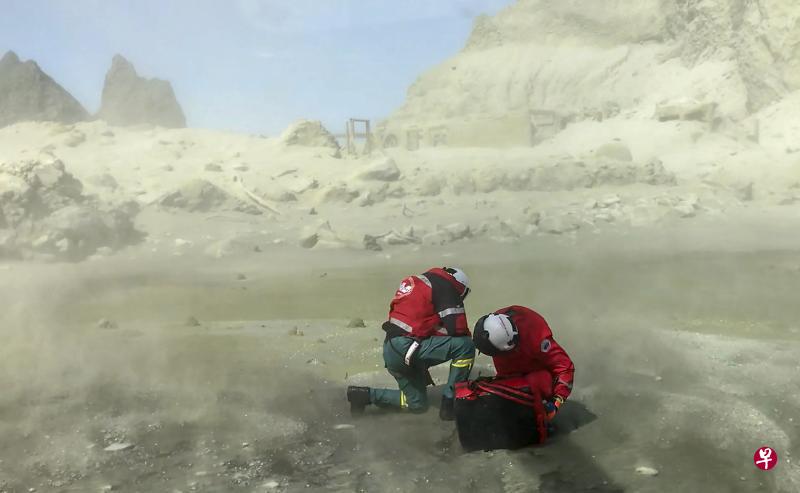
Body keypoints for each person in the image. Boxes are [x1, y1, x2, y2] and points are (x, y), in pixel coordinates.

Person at [347, 267, 475, 420]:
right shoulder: (446, 285)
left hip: (391, 350)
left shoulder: (419, 284)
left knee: (418, 405)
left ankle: (363, 395)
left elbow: (415, 323)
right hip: (408, 347)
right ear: (459, 285)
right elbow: (458, 329)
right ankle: (451, 402)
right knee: (466, 346)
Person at [472, 305, 574, 421]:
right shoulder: (495, 323)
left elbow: (564, 367)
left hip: (537, 368)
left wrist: (556, 402)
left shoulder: (537, 337)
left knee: (536, 383)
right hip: (509, 353)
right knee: (505, 387)